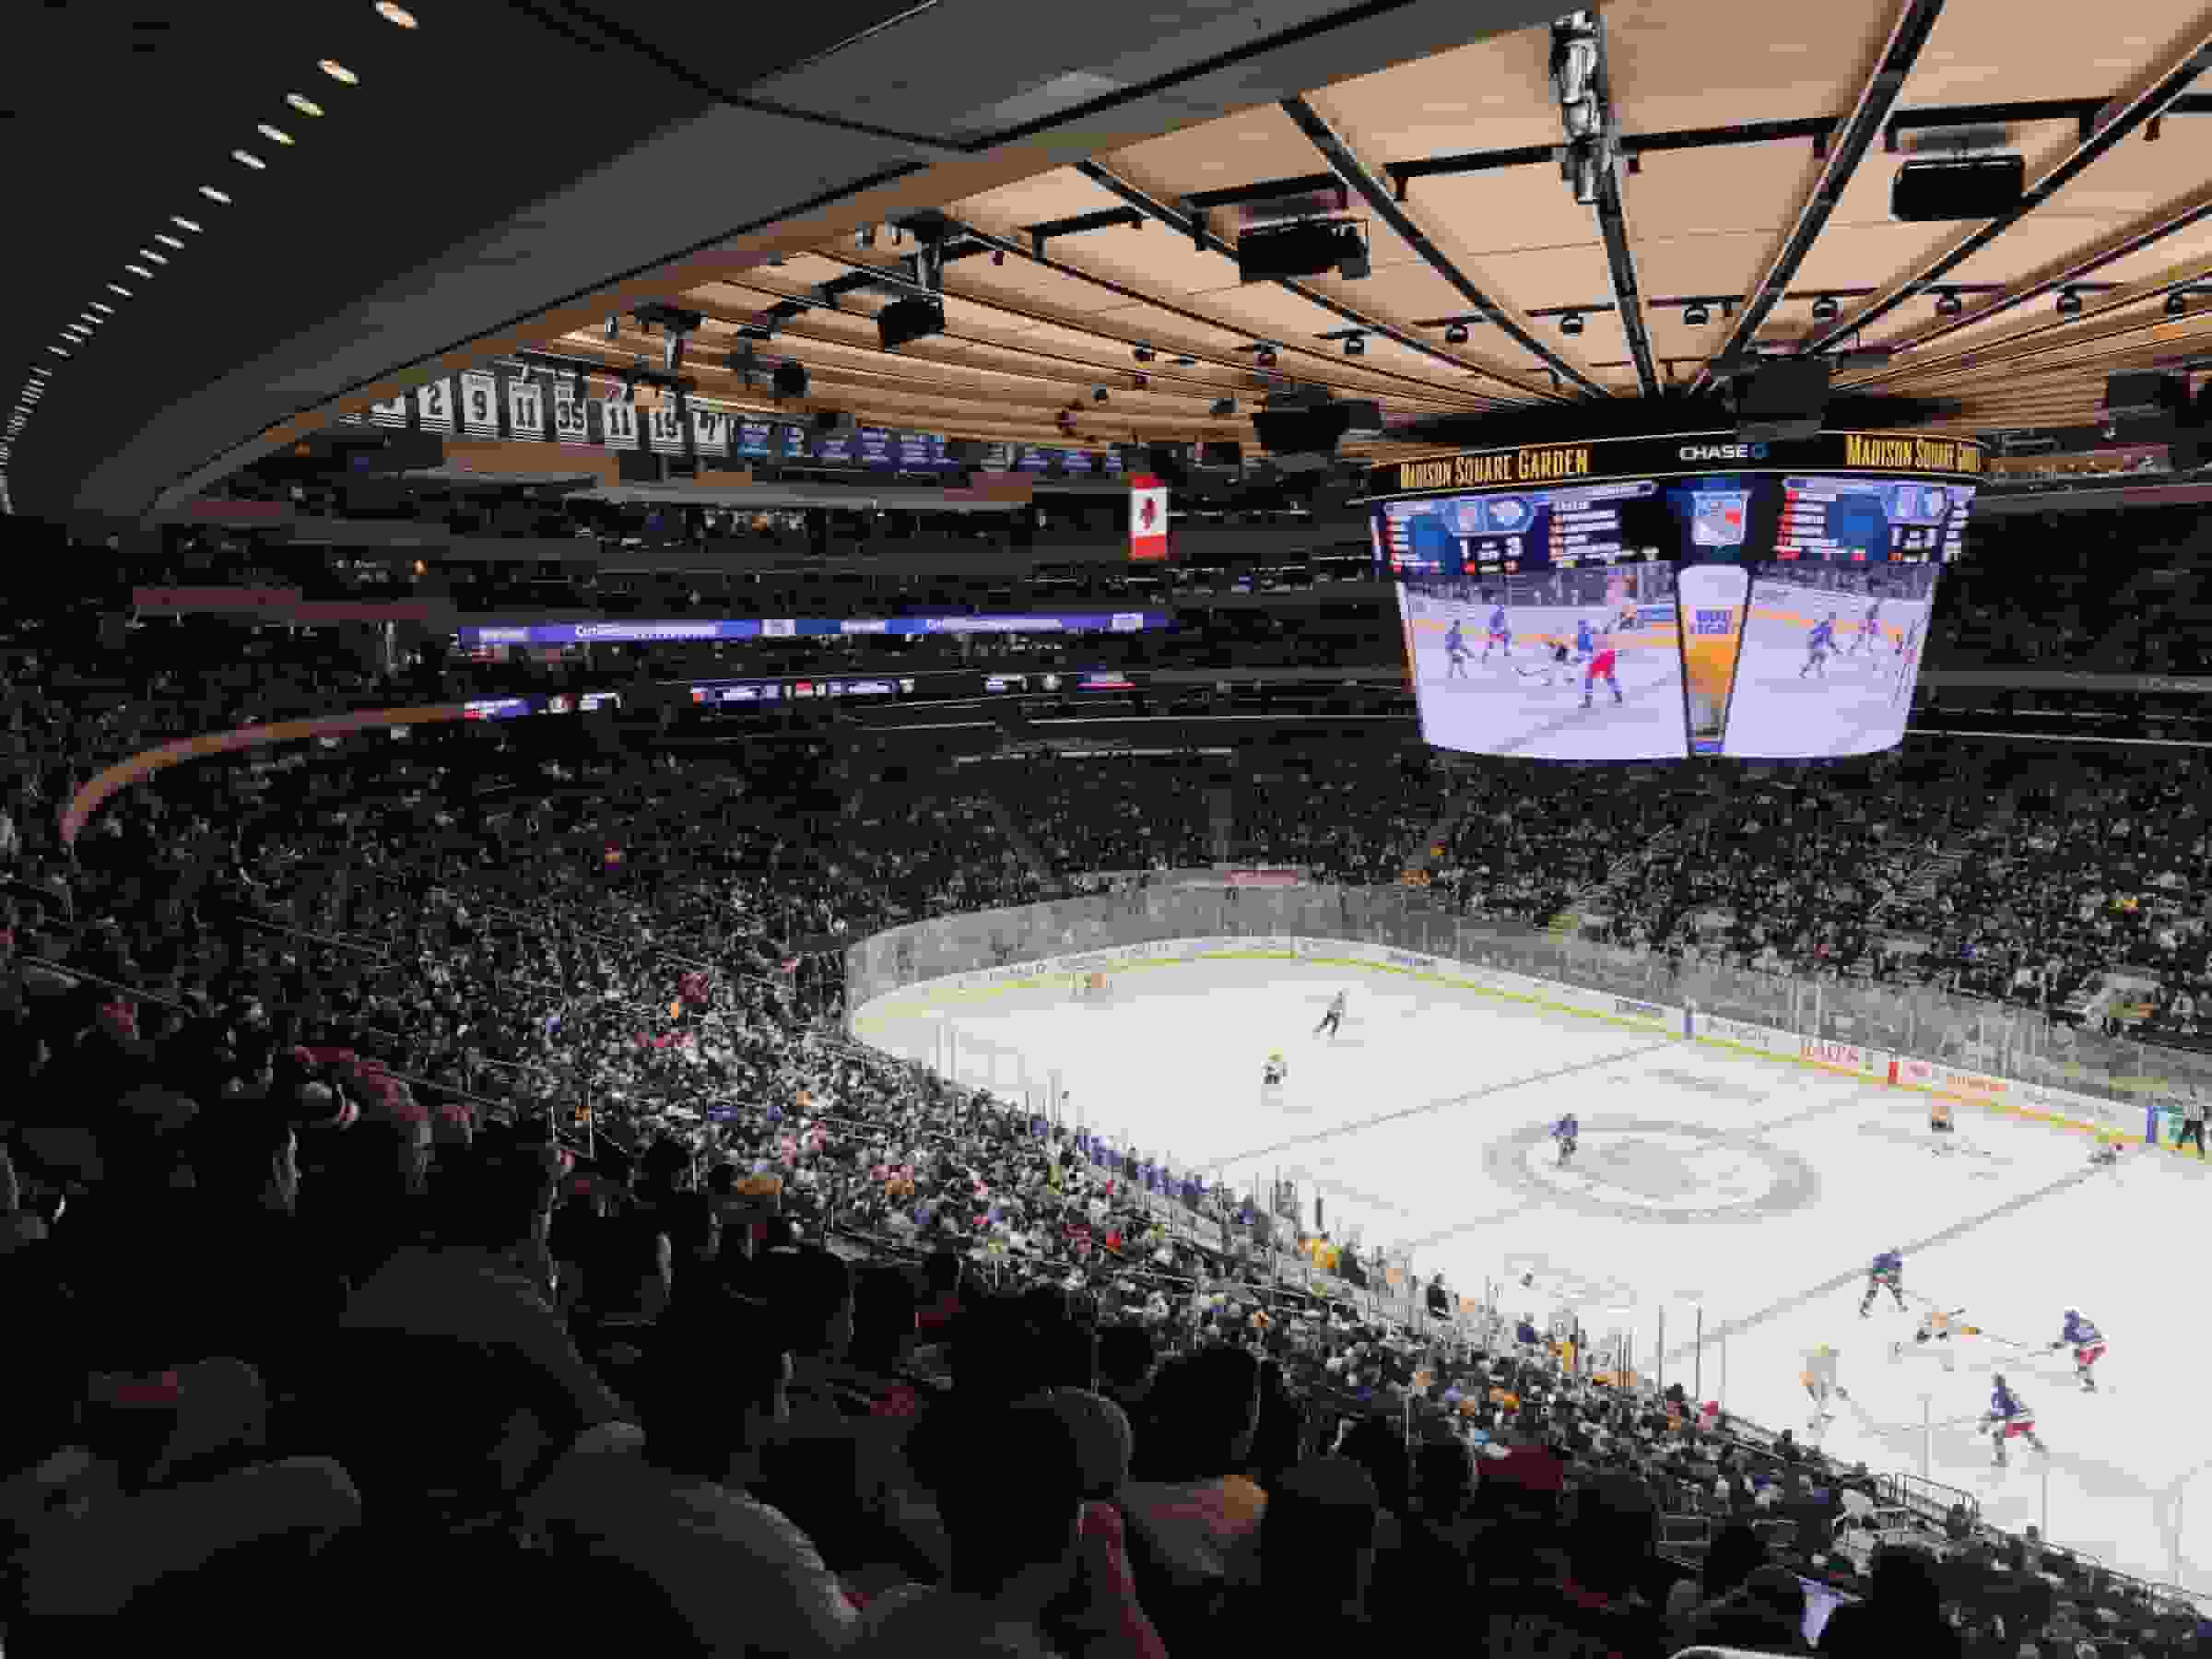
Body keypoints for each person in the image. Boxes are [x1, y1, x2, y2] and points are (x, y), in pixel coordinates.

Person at [2047, 1307, 2106, 1394]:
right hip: (2101, 1344)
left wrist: (2054, 1346)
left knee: (2079, 1358)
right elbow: (2094, 1333)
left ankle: (2086, 1381)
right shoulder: (2087, 1321)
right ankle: (2085, 1377)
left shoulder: (2068, 1327)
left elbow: (2063, 1344)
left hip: (2087, 1346)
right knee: (2087, 1362)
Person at [1858, 1248, 1905, 1317]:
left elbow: (1897, 1276)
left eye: (1897, 1257)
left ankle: (1900, 1305)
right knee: (1872, 1291)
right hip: (1876, 1273)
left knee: (1896, 1289)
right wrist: (1875, 1275)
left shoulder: (1898, 1264)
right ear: (1891, 1255)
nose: (1896, 1259)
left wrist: (1896, 1286)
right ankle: (1864, 1308)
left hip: (1887, 1275)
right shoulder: (1882, 1257)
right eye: (1894, 1256)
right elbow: (1871, 1267)